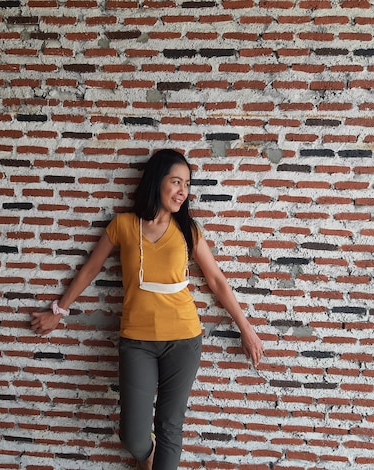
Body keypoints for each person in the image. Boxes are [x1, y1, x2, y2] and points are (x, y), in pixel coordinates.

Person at [31, 149, 263, 470]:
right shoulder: (124, 225)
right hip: (137, 341)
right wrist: (59, 309)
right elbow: (89, 270)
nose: (183, 191)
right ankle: (148, 456)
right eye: (176, 182)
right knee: (134, 437)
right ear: (157, 182)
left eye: (187, 184)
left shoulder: (188, 231)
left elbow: (217, 280)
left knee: (170, 425)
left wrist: (246, 329)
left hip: (184, 338)